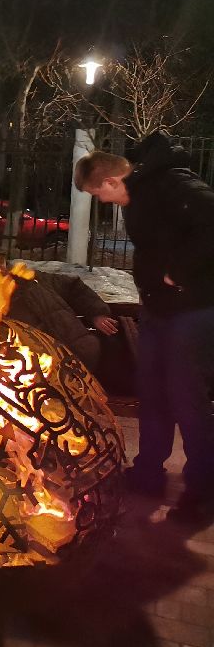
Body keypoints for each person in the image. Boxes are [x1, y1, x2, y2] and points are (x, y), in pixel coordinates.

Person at [75, 132, 214, 524]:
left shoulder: (175, 184)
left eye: (98, 193)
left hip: (194, 309)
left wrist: (178, 274)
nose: (101, 201)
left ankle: (203, 492)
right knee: (152, 392)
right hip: (157, 310)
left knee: (188, 400)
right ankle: (148, 472)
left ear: (113, 181)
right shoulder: (138, 195)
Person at [0, 243, 118, 373]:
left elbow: (73, 287)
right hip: (33, 366)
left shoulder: (30, 279)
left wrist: (97, 314)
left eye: (1, 261)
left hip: (78, 352)